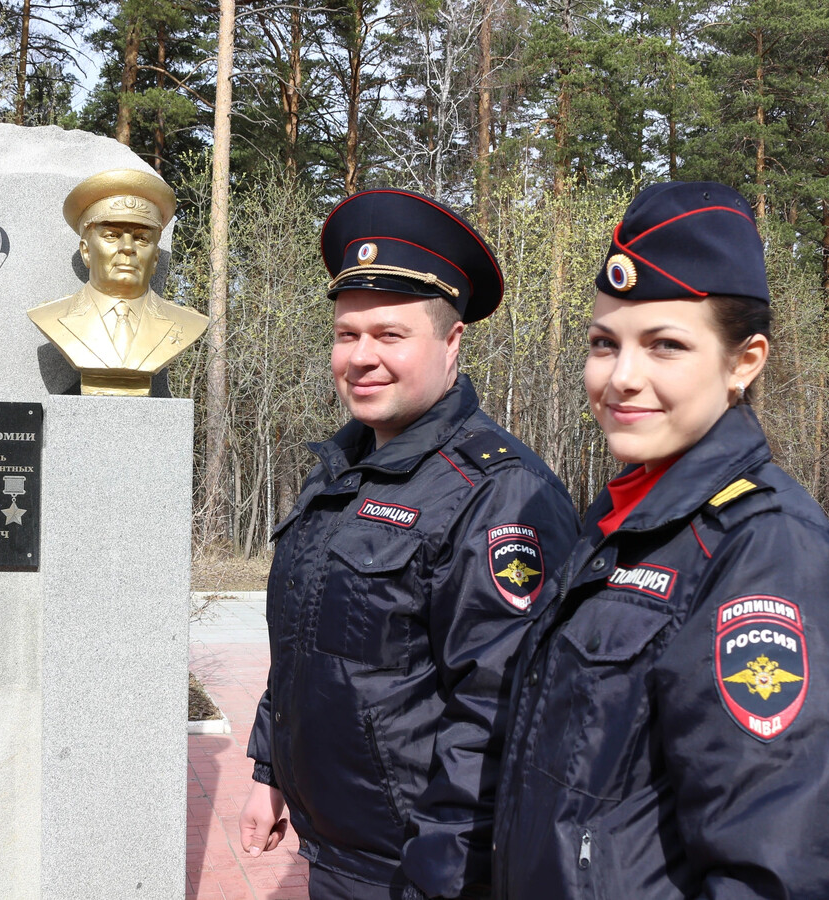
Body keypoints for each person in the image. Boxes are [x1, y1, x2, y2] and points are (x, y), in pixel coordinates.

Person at [492, 182, 829, 899]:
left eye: (665, 345)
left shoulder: (765, 546)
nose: (621, 378)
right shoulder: (626, 520)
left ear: (744, 362)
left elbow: (777, 869)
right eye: (605, 344)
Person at [240, 189, 580, 899]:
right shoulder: (340, 472)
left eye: (389, 335)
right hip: (340, 852)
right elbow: (301, 642)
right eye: (346, 334)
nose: (360, 358)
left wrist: (440, 879)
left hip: (420, 870)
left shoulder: (500, 494)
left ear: (451, 342)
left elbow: (500, 721)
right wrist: (271, 773)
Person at [27, 168, 208, 395]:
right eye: (111, 235)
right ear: (86, 252)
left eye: (142, 238)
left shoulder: (188, 322)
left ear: (155, 259)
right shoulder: (50, 317)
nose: (128, 248)